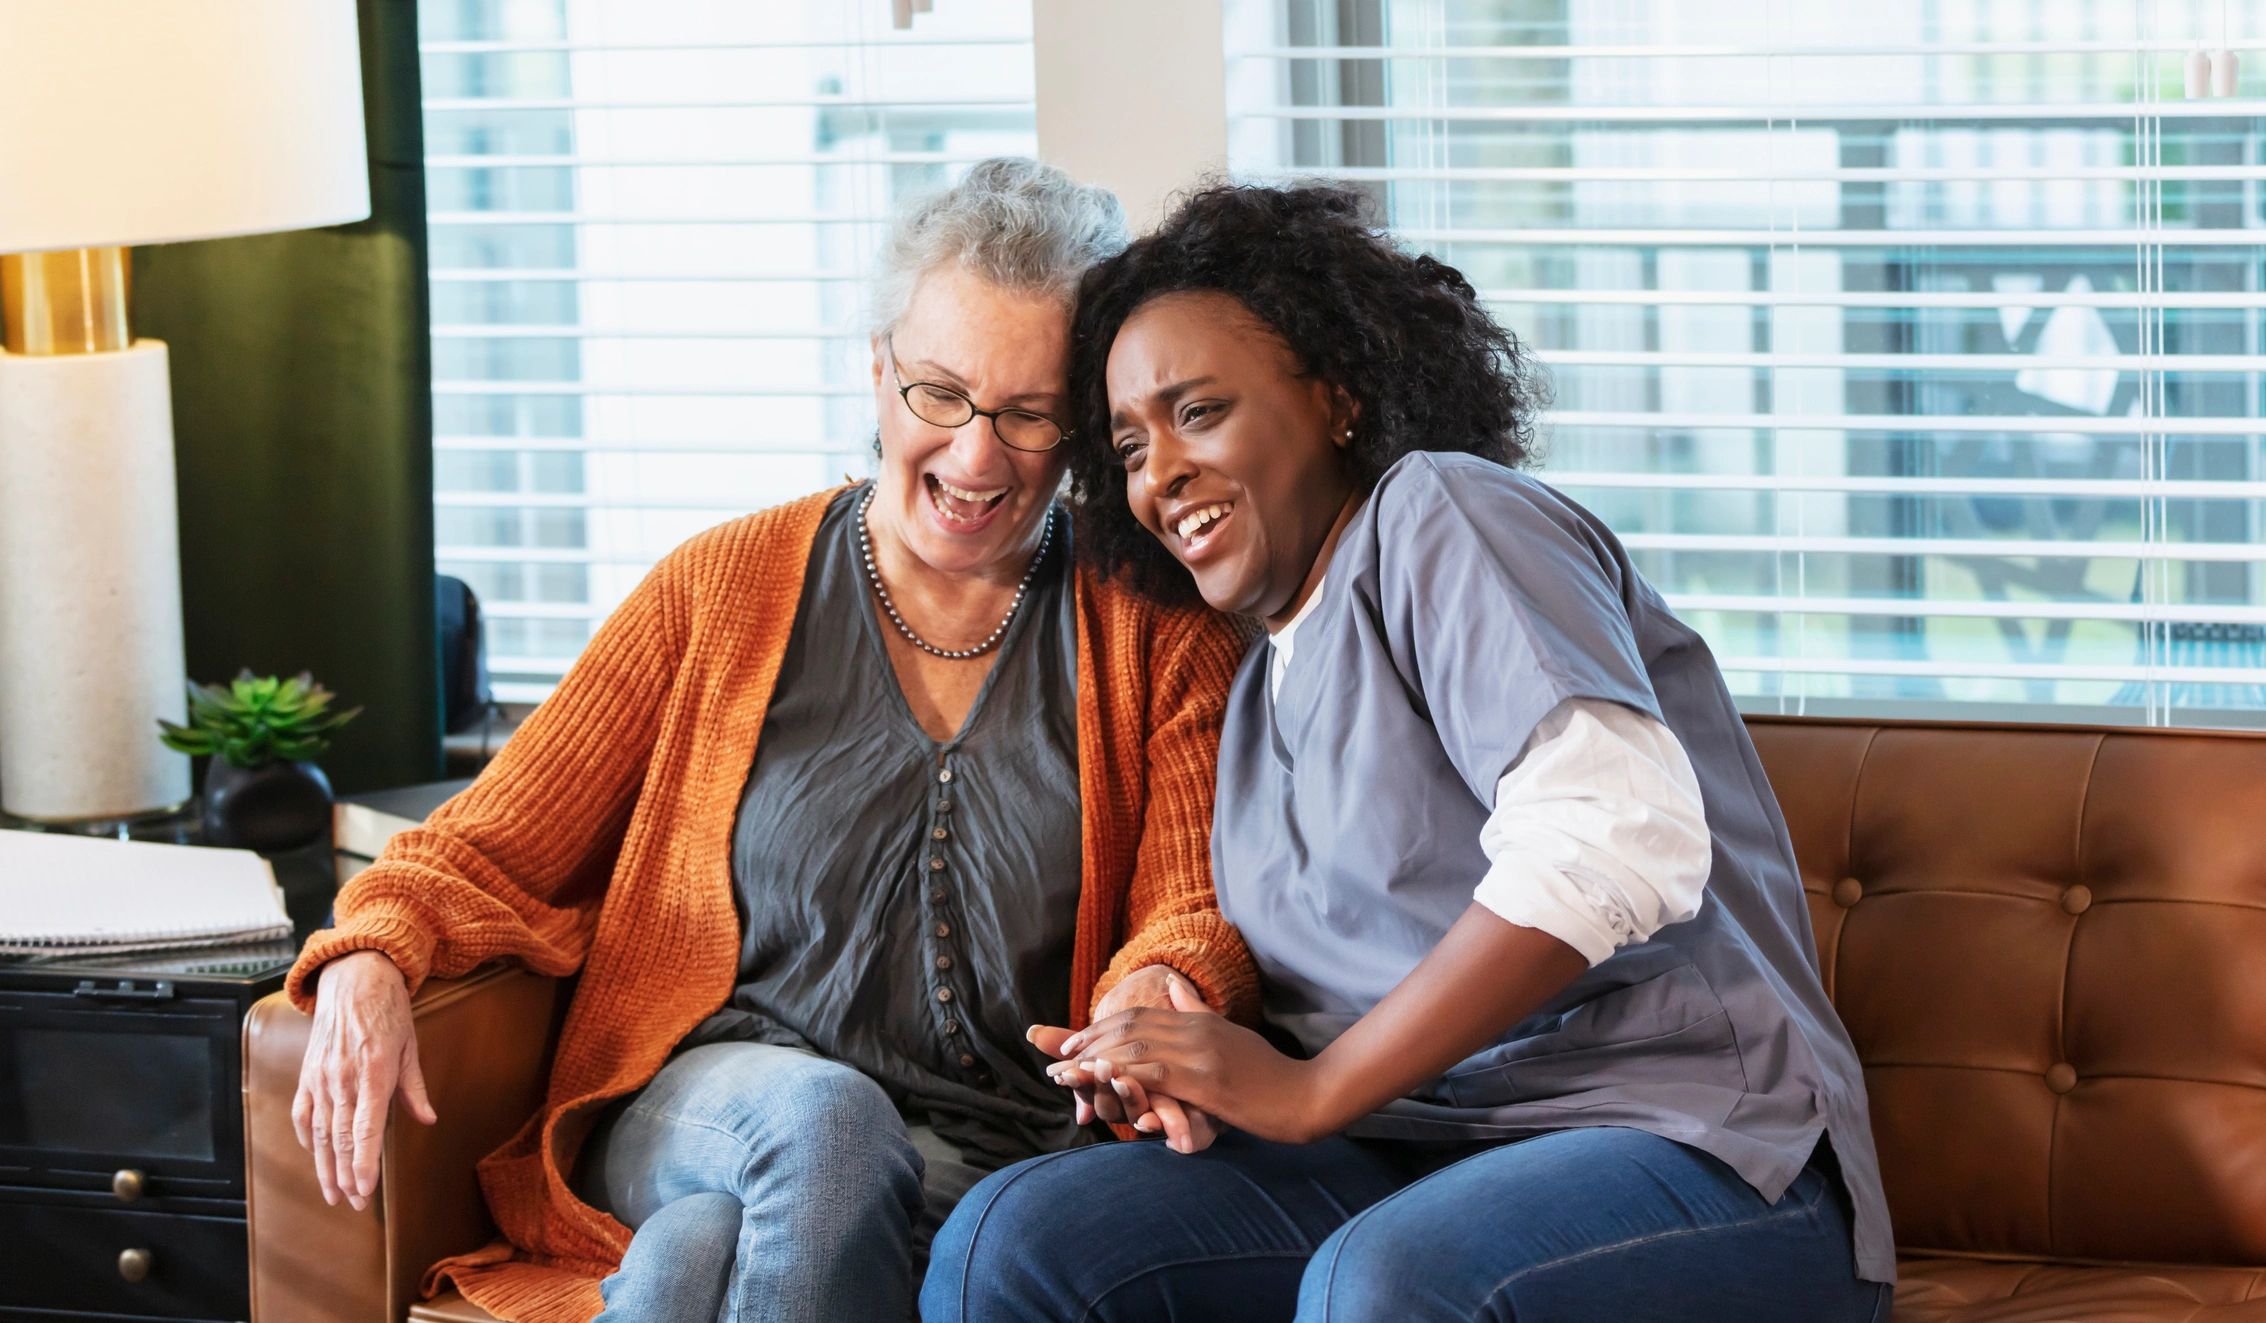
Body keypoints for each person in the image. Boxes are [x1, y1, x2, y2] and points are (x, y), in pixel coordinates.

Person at [284, 158, 1258, 1323]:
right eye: (937, 393)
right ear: (878, 369)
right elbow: (484, 848)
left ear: (1087, 425)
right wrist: (372, 955)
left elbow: (1190, 901)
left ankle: (689, 1270)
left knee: (699, 1257)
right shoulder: (718, 591)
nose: (974, 456)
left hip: (1003, 1146)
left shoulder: (1156, 628)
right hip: (709, 1104)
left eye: (1029, 411)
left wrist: (1165, 981)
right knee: (823, 1128)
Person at [922, 183, 1895, 1323]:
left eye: (1197, 411)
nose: (1159, 474)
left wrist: (1310, 1089)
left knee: (1385, 1284)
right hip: (1413, 1155)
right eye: (1129, 445)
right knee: (1019, 1239)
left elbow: (1617, 838)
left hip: (1700, 1152)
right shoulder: (1255, 681)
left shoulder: (1445, 518)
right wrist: (1168, 1049)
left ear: (1336, 395)